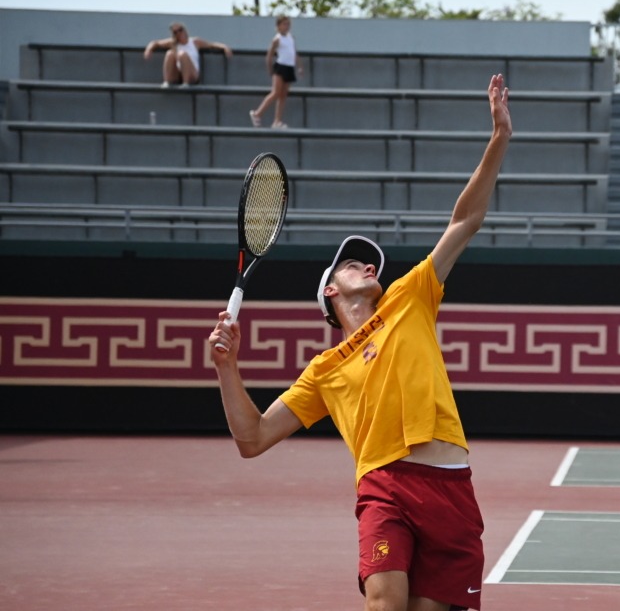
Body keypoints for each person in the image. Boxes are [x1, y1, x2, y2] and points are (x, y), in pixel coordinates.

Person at [208, 74, 512, 611]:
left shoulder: (408, 297)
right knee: (384, 603)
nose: (366, 265)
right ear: (329, 292)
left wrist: (498, 140)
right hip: (385, 485)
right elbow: (252, 438)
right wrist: (226, 368)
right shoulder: (324, 370)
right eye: (351, 263)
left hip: (450, 486)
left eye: (368, 261)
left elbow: (465, 218)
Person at [250, 15, 303, 129]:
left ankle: (277, 121)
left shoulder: (291, 37)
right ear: (278, 26)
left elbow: (294, 53)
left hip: (289, 67)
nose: (286, 27)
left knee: (283, 95)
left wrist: (299, 66)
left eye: (288, 24)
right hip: (280, 67)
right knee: (275, 92)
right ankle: (257, 113)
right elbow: (269, 55)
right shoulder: (277, 39)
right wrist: (270, 69)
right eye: (284, 24)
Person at [143, 22, 232, 87]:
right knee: (169, 53)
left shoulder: (194, 42)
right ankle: (167, 82)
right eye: (175, 32)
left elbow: (211, 45)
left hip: (192, 75)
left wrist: (225, 47)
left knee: (182, 55)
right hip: (178, 75)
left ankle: (186, 83)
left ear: (185, 30)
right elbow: (156, 43)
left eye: (180, 30)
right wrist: (148, 50)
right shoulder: (173, 43)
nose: (179, 33)